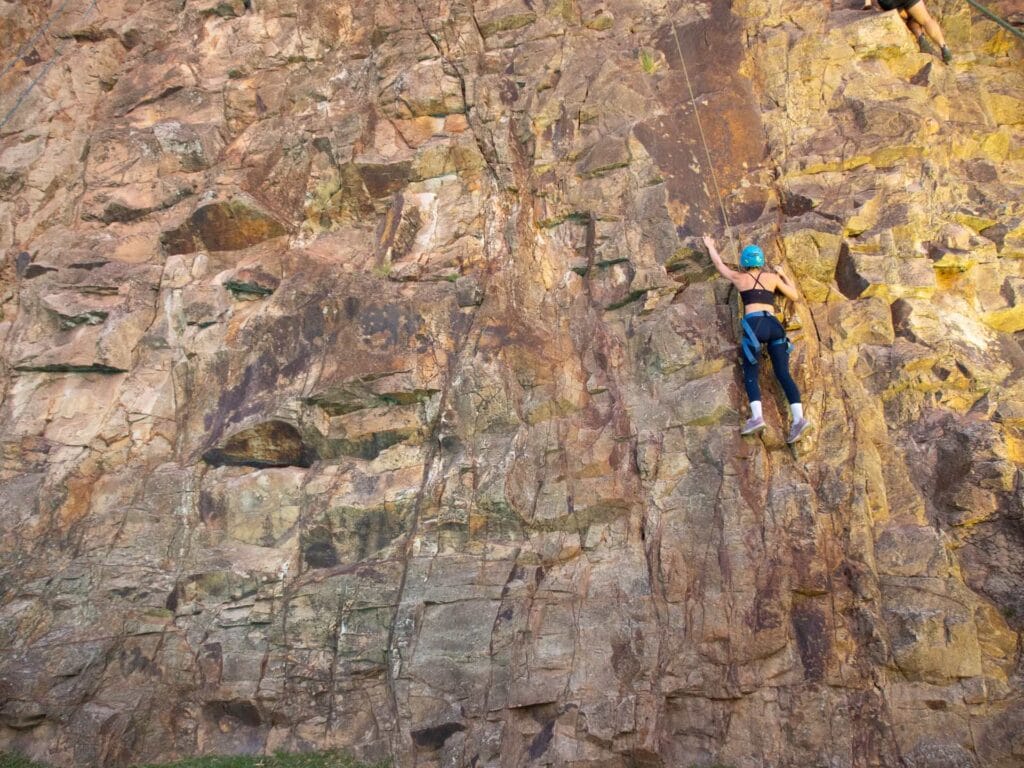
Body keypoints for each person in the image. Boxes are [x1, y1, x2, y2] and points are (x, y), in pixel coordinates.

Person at [702, 235, 811, 444]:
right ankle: (798, 419)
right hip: (773, 325)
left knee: (750, 372)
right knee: (783, 374)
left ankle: (757, 417)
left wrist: (710, 246)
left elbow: (719, 265)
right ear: (761, 261)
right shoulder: (772, 278)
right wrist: (783, 275)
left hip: (755, 327)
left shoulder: (739, 278)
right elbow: (794, 295)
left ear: (744, 262)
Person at [863, 0, 953, 64]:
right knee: (926, 20)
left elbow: (868, 4)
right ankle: (944, 47)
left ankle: (920, 37)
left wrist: (868, 3)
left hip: (888, 2)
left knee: (909, 17)